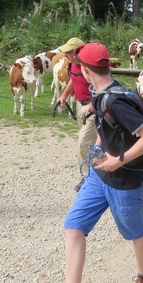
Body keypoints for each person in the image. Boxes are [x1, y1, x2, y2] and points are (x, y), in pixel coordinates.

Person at [64, 43, 143, 283]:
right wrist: (98, 145)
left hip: (126, 180)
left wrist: (118, 161)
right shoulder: (99, 93)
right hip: (99, 175)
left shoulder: (115, 100)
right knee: (74, 226)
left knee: (134, 232)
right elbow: (105, 127)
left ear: (86, 71)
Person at [56, 37, 97, 192]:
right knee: (93, 140)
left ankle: (86, 177)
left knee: (83, 142)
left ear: (77, 51)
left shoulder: (89, 65)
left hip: (93, 107)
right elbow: (73, 80)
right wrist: (65, 95)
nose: (65, 55)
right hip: (81, 104)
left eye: (68, 52)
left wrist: (93, 103)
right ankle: (99, 169)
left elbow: (102, 83)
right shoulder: (73, 64)